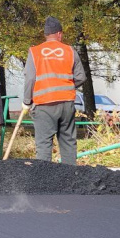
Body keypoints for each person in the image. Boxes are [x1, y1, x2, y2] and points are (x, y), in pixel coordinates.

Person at [23, 16, 87, 165]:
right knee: (68, 142)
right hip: (66, 104)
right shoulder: (70, 51)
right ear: (59, 33)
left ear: (46, 34)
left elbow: (30, 79)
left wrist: (27, 101)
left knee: (44, 144)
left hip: (44, 105)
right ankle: (69, 176)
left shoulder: (35, 52)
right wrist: (66, 87)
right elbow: (81, 77)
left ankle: (45, 178)